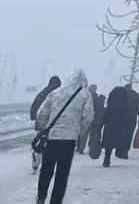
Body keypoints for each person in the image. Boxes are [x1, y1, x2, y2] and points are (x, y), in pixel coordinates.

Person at [34, 69, 94, 204]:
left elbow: (41, 113)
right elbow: (88, 117)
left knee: (46, 169)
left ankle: (41, 197)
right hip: (69, 140)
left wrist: (47, 128)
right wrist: (78, 131)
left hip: (52, 137)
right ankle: (56, 201)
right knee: (62, 174)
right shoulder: (85, 95)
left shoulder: (55, 93)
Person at [28, 77, 60, 175]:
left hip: (39, 124)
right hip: (52, 125)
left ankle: (35, 165)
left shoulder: (42, 93)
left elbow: (34, 106)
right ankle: (47, 166)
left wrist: (33, 116)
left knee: (38, 144)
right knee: (51, 146)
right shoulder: (58, 95)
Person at [101, 84, 130, 167]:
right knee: (120, 140)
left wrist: (102, 124)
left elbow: (106, 113)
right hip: (119, 124)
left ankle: (106, 160)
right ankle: (121, 153)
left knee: (108, 143)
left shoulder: (111, 101)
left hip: (110, 124)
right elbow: (126, 115)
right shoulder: (124, 103)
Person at [86, 85, 106, 159]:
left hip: (93, 123)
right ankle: (94, 150)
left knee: (92, 135)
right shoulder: (103, 109)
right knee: (97, 137)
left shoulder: (95, 105)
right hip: (99, 126)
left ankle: (91, 147)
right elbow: (104, 118)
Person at [125, 82, 139, 154]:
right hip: (132, 118)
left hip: (123, 119)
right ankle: (126, 150)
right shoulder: (136, 96)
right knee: (129, 134)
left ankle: (120, 150)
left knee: (122, 134)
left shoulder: (122, 95)